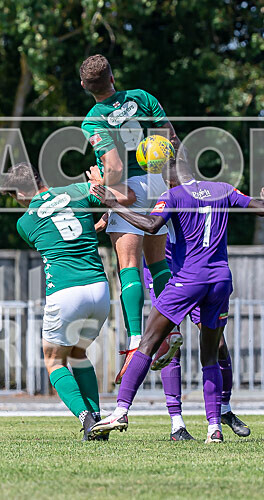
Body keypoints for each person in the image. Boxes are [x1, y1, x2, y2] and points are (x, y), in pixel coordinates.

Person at [89, 155, 264, 443]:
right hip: (221, 280)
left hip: (187, 280)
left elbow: (150, 225)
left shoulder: (173, 194)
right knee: (211, 354)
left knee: (148, 342)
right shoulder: (222, 188)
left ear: (169, 178)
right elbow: (262, 210)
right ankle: (214, 429)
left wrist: (112, 205)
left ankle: (121, 411)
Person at [79, 54, 187, 383]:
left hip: (128, 188)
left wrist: (105, 188)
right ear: (112, 77)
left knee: (129, 265)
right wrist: (175, 186)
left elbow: (113, 168)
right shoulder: (143, 98)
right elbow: (170, 141)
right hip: (158, 184)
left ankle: (138, 338)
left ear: (84, 86)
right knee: (159, 266)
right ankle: (170, 329)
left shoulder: (93, 119)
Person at [2, 163, 110, 440]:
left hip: (65, 292)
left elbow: (54, 240)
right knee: (78, 354)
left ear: (20, 193)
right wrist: (102, 188)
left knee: (54, 360)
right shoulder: (77, 190)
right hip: (99, 290)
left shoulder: (25, 222)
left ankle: (86, 419)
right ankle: (98, 418)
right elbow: (108, 195)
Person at [144, 259, 250, 439]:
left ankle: (224, 409)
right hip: (165, 270)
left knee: (218, 345)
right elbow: (150, 230)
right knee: (171, 344)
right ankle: (177, 424)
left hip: (197, 271)